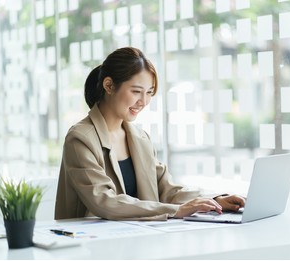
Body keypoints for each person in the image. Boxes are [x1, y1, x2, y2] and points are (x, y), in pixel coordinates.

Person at [54, 47, 245, 221]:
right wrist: (175, 211)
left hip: (139, 239)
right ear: (109, 86)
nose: (143, 101)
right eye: (137, 91)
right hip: (91, 247)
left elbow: (167, 190)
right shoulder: (80, 138)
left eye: (149, 93)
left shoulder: (140, 138)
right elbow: (104, 202)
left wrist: (216, 199)